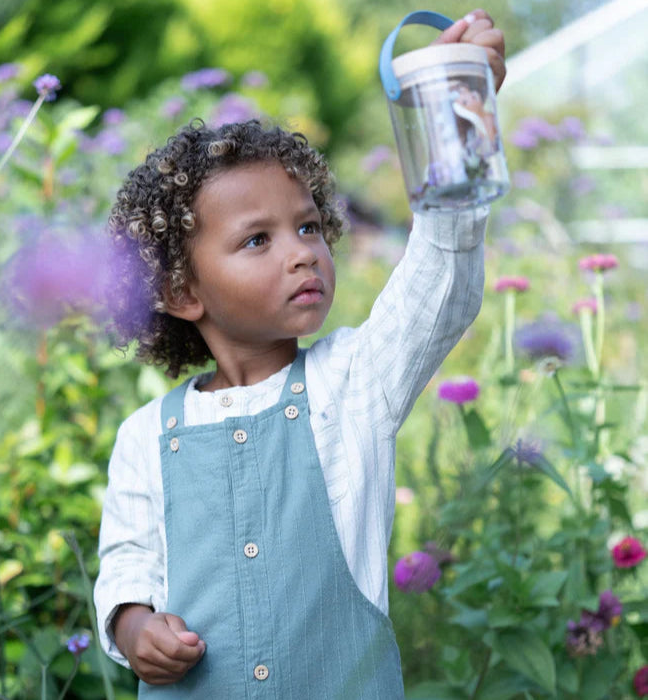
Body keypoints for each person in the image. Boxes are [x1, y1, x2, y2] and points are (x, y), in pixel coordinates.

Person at [94, 9, 506, 698]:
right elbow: (128, 561)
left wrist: (454, 120)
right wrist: (134, 627)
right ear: (180, 290)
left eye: (309, 226)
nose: (302, 253)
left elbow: (440, 282)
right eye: (259, 240)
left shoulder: (353, 384)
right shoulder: (144, 439)